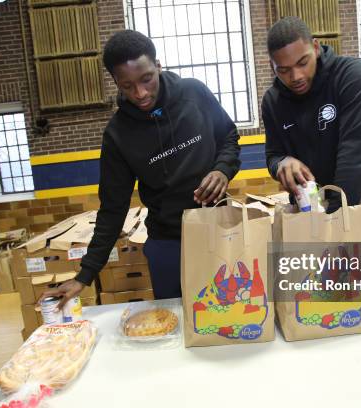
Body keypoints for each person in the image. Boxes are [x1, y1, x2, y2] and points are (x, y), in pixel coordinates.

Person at [43, 30, 240, 306]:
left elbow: (229, 138)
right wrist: (84, 276)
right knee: (175, 325)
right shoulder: (118, 135)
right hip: (167, 244)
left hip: (219, 230)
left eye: (147, 79)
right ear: (116, 82)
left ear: (158, 66)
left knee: (229, 311)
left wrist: (222, 170)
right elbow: (112, 209)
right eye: (127, 86)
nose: (141, 93)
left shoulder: (193, 94)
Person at [262, 17, 361, 267]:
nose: (296, 76)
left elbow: (356, 152)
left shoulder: (350, 74)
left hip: (356, 205)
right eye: (283, 70)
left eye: (302, 63)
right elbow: (273, 155)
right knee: (313, 302)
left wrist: (331, 227)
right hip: (305, 216)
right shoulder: (272, 102)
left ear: (315, 46)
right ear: (273, 66)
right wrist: (282, 162)